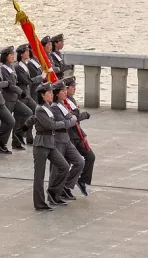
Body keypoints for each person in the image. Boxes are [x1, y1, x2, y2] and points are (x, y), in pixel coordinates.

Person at [30, 83, 73, 211]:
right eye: (49, 92)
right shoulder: (40, 109)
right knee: (39, 175)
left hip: (50, 143)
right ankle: (39, 203)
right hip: (42, 143)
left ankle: (53, 192)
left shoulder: (48, 107)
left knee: (64, 166)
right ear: (43, 95)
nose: (51, 94)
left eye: (51, 92)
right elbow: (50, 125)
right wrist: (65, 123)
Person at [50, 81, 85, 201]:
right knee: (57, 168)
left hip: (66, 139)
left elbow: (70, 119)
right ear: (56, 93)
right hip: (58, 139)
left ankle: (66, 186)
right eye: (63, 91)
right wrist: (73, 119)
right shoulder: (54, 107)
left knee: (79, 161)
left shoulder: (63, 105)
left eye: (66, 90)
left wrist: (72, 119)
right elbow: (65, 123)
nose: (66, 92)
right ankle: (53, 193)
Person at [63, 77, 95, 196]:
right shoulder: (64, 102)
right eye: (72, 86)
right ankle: (65, 186)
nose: (74, 88)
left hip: (78, 134)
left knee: (90, 156)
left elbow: (76, 122)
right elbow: (72, 118)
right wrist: (84, 115)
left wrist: (83, 134)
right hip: (69, 136)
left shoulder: (72, 100)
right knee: (72, 162)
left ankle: (82, 180)